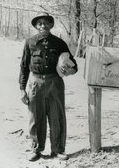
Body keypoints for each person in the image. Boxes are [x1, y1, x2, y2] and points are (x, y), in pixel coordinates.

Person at [19, 12, 78, 161]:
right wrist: (22, 89)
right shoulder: (30, 42)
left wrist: (68, 69)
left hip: (55, 83)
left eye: (46, 23)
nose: (43, 26)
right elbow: (24, 67)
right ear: (36, 26)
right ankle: (36, 149)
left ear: (51, 25)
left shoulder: (59, 43)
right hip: (35, 83)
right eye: (40, 23)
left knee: (56, 116)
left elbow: (73, 65)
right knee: (35, 116)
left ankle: (58, 149)